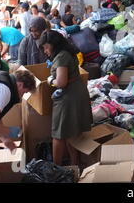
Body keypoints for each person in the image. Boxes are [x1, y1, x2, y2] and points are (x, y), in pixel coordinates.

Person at [38, 30, 92, 166]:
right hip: (77, 92)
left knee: (58, 134)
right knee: (71, 133)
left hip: (68, 97)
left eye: (46, 47)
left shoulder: (61, 56)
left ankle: (56, 169)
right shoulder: (68, 52)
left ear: (54, 44)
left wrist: (51, 80)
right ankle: (75, 165)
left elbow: (61, 82)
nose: (45, 51)